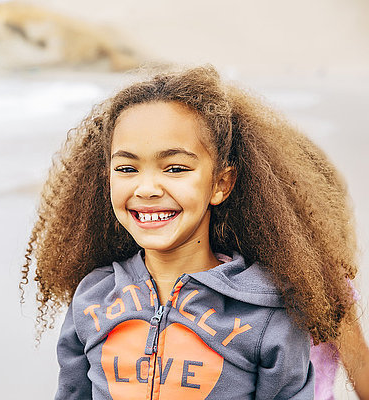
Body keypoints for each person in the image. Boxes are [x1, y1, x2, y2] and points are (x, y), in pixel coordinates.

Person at [19, 65, 367, 399]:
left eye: (175, 168)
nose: (147, 188)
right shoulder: (92, 298)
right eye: (127, 167)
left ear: (220, 183)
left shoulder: (268, 312)